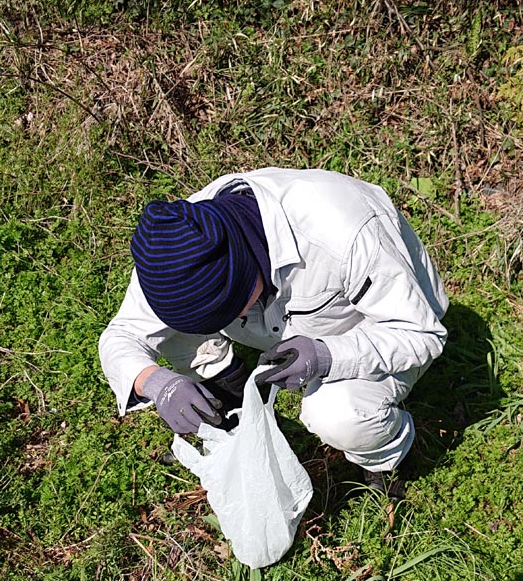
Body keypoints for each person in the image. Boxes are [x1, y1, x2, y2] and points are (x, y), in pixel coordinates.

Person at [98, 168, 449, 498]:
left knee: (337, 415)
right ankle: (228, 405)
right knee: (175, 328)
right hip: (289, 319)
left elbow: (420, 333)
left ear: (248, 263)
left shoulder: (344, 232)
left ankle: (385, 459)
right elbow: (122, 335)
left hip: (377, 326)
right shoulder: (175, 248)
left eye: (230, 310)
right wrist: (156, 383)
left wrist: (327, 356)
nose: (231, 322)